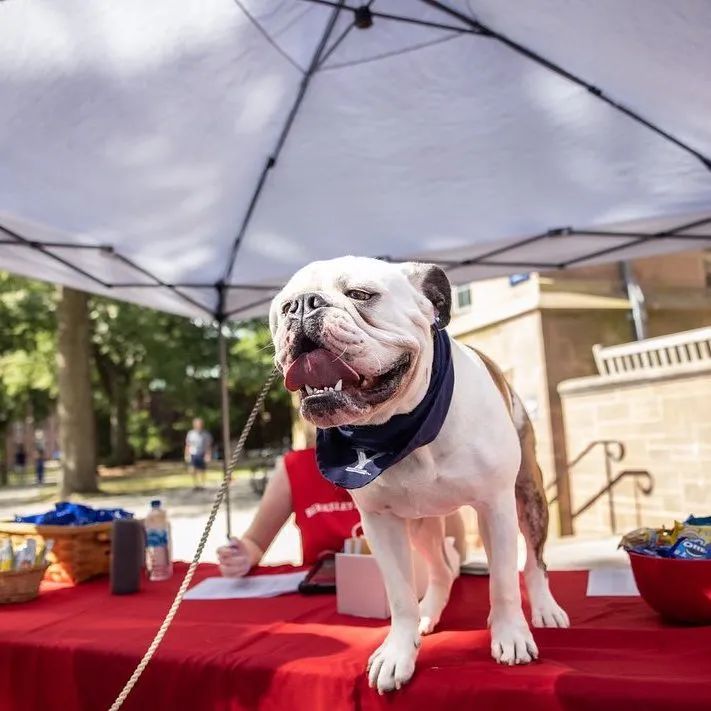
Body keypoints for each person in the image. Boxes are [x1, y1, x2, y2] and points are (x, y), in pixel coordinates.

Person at [217, 427, 467, 577]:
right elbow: (255, 543)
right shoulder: (297, 467)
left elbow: (456, 552)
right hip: (321, 601)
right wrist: (243, 555)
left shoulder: (408, 459)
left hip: (403, 600)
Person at [184, 418, 212, 491]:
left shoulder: (206, 434)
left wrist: (208, 455)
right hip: (193, 453)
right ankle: (195, 484)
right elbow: (188, 444)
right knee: (192, 469)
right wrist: (187, 454)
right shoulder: (191, 433)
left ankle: (202, 484)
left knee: (202, 470)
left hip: (202, 453)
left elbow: (208, 445)